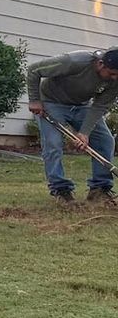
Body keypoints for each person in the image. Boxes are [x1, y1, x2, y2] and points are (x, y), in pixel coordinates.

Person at [28, 47, 118, 204]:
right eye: (112, 74)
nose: (115, 78)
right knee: (53, 144)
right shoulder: (74, 61)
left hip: (82, 106)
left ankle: (99, 190)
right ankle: (61, 190)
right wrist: (35, 100)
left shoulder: (115, 80)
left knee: (105, 140)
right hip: (51, 102)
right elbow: (34, 70)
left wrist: (84, 133)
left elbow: (99, 106)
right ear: (101, 64)